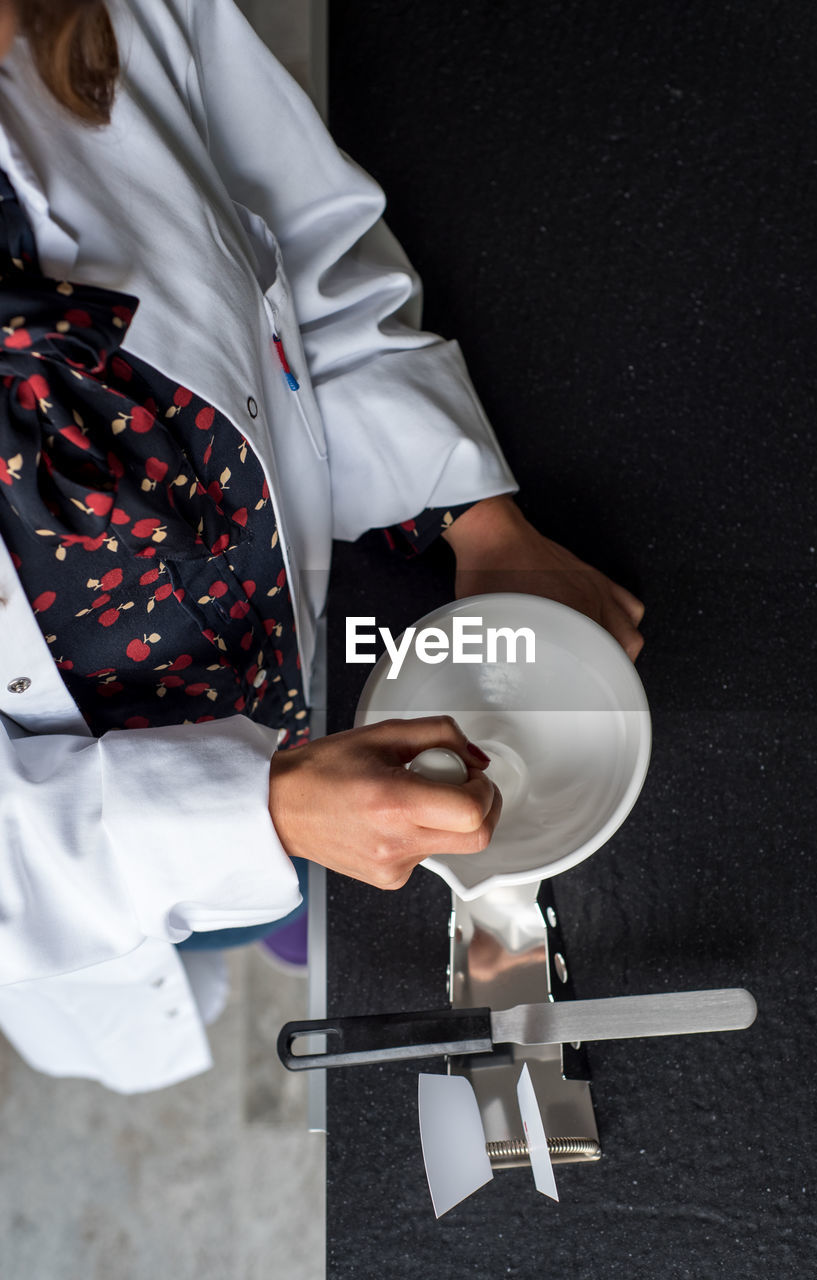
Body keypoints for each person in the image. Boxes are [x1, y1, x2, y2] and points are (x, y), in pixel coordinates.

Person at [0, 0, 644, 1092]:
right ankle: (264, 907)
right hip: (92, 848)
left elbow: (297, 246)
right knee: (223, 903)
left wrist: (473, 512)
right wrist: (254, 811)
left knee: (319, 856)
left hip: (276, 652)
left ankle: (292, 893)